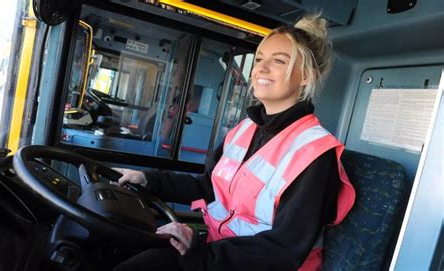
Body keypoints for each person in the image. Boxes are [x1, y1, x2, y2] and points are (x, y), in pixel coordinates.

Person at [114, 14, 355, 271]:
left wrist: (202, 255)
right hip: (219, 252)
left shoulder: (314, 152)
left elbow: (284, 249)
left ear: (305, 76)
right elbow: (208, 187)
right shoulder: (246, 129)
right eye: (259, 59)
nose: (261, 68)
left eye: (279, 61)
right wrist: (148, 180)